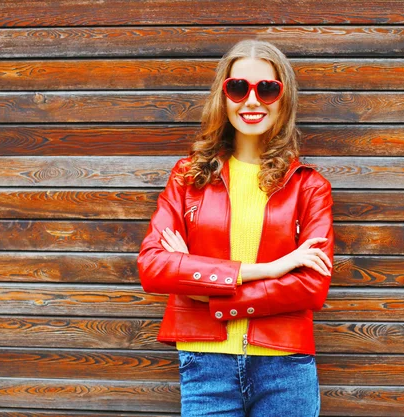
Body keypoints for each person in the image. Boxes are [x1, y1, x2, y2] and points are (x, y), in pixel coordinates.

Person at [137, 39, 334, 417]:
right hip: (206, 367)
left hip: (285, 366)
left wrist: (205, 294)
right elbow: (153, 267)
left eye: (268, 88)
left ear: (284, 98)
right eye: (239, 87)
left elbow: (311, 285)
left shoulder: (308, 186)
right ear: (223, 95)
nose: (252, 100)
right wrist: (269, 270)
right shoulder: (187, 177)